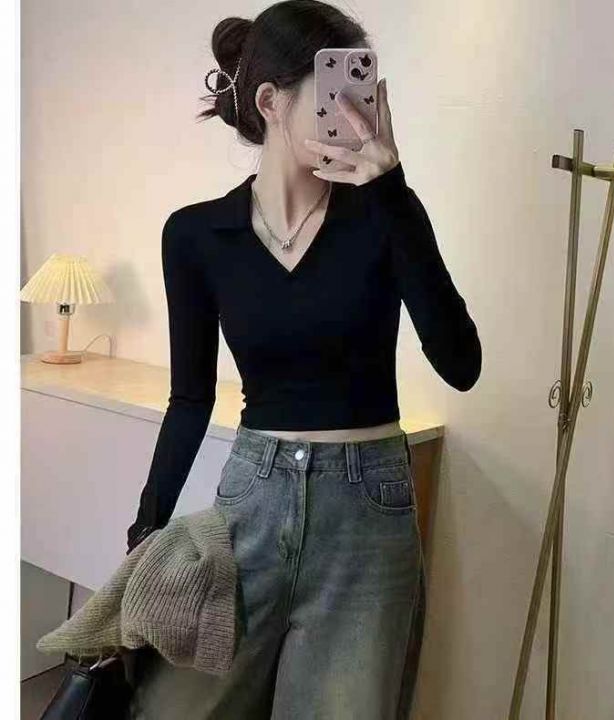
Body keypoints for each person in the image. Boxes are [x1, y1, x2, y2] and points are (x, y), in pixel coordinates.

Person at [126, 1, 482, 718]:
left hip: (367, 514)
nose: (354, 115)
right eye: (333, 93)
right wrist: (146, 530)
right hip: (250, 503)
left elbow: (460, 364)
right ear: (271, 102)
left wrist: (392, 189)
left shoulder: (384, 217)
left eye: (362, 93)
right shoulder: (196, 235)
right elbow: (191, 397)